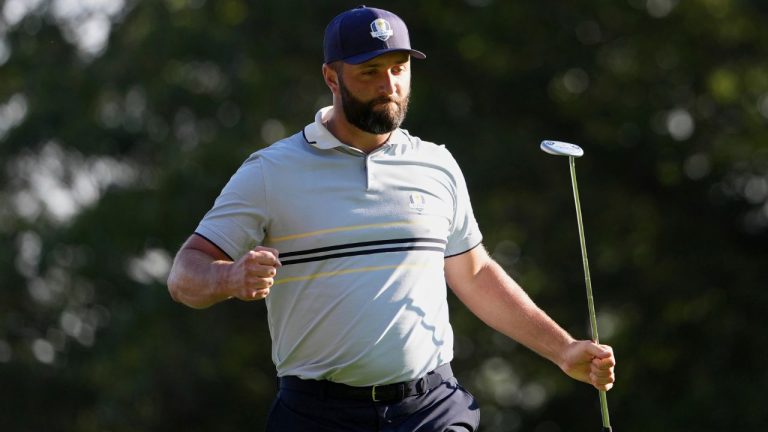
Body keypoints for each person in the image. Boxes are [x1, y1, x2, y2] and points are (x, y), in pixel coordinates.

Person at [167, 5, 615, 431]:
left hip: (430, 407)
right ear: (331, 77)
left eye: (398, 68)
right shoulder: (271, 171)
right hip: (317, 415)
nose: (389, 85)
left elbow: (475, 274)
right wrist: (230, 278)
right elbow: (184, 275)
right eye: (369, 72)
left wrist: (562, 349)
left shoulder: (437, 164)